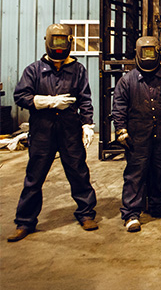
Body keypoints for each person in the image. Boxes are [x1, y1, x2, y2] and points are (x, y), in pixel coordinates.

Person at [8, 24, 98, 242]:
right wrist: (46, 101)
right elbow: (21, 96)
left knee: (78, 172)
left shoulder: (78, 70)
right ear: (47, 41)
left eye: (62, 42)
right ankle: (25, 222)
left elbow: (85, 98)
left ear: (69, 42)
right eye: (55, 42)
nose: (58, 47)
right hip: (42, 130)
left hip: (69, 129)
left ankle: (86, 214)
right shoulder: (34, 70)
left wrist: (87, 124)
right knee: (34, 176)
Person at [112, 36, 161, 233]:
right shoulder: (127, 80)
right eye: (146, 52)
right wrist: (121, 130)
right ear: (138, 53)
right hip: (137, 136)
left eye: (152, 52)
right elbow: (119, 106)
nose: (149, 57)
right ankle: (131, 213)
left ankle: (159, 206)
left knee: (160, 171)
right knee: (136, 174)